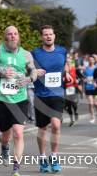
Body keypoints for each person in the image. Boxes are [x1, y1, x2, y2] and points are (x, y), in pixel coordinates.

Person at [0, 26, 37, 176]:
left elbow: (34, 72)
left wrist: (28, 79)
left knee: (18, 133)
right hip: (1, 99)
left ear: (18, 37)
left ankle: (16, 168)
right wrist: (0, 73)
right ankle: (4, 146)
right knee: (6, 134)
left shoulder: (26, 55)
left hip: (20, 98)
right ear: (5, 37)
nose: (12, 36)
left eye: (15, 34)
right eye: (9, 34)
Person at [31, 25, 69, 173]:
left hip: (57, 94)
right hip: (41, 95)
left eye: (50, 34)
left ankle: (54, 156)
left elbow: (64, 64)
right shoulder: (35, 53)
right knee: (42, 128)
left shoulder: (62, 51)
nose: (48, 36)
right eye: (45, 34)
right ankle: (42, 157)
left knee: (56, 125)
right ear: (42, 37)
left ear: (54, 36)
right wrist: (34, 71)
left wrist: (67, 73)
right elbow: (27, 69)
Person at [64, 57, 79, 127]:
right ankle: (71, 119)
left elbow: (79, 76)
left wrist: (79, 82)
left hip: (73, 88)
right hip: (66, 90)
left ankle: (75, 112)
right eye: (67, 62)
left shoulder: (74, 69)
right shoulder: (63, 71)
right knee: (68, 106)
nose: (68, 63)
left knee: (74, 104)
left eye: (69, 62)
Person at [83, 55, 97, 123]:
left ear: (94, 60)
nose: (91, 61)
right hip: (88, 88)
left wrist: (96, 82)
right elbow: (84, 78)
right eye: (90, 59)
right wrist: (84, 80)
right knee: (91, 104)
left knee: (96, 103)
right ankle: (93, 117)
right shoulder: (86, 69)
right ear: (88, 61)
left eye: (92, 59)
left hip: (96, 88)